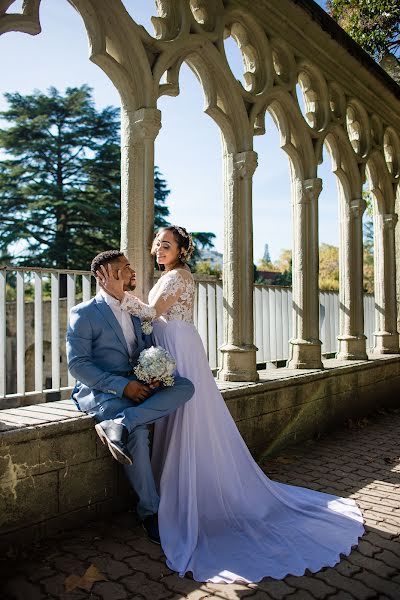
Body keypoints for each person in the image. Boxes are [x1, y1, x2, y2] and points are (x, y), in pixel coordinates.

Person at [98, 227, 364, 583]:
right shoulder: (167, 275)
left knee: (188, 416)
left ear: (180, 251)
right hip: (169, 345)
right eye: (157, 244)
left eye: (167, 245)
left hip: (180, 346)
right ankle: (169, 488)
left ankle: (195, 490)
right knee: (172, 416)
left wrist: (116, 293)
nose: (159, 249)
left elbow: (150, 313)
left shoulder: (179, 275)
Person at [66, 250, 195, 545]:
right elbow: (78, 365)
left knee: (185, 386)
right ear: (105, 275)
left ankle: (120, 423)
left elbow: (146, 348)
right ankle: (150, 512)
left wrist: (149, 377)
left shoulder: (136, 310)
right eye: (125, 268)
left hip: (138, 383)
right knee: (138, 433)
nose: (132, 271)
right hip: (103, 390)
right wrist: (122, 388)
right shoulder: (84, 313)